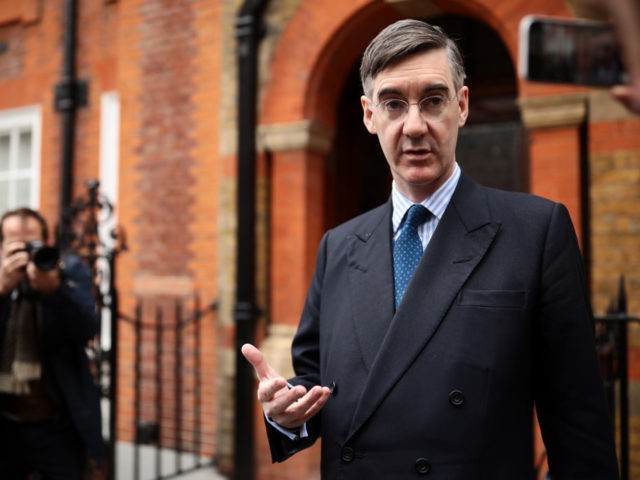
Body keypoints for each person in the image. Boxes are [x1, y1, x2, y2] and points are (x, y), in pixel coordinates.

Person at [242, 19, 619, 478]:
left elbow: (578, 422)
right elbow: (320, 385)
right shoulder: (338, 246)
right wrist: (285, 413)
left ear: (461, 106)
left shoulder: (536, 231)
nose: (414, 126)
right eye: (394, 104)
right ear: (369, 115)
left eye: (433, 101)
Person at [0, 208, 103, 479]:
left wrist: (54, 290)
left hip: (57, 426)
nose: (24, 253)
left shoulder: (68, 270)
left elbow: (87, 329)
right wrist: (1, 290)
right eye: (14, 244)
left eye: (31, 244)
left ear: (47, 242)